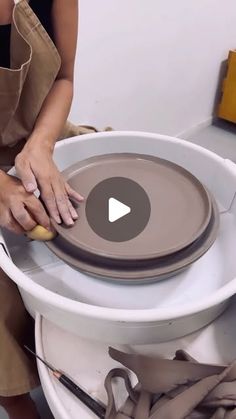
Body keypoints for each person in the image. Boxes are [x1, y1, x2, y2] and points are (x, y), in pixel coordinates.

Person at [0, 0, 97, 417]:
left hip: (30, 134)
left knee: (112, 191)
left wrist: (42, 143)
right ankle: (18, 400)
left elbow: (64, 77)